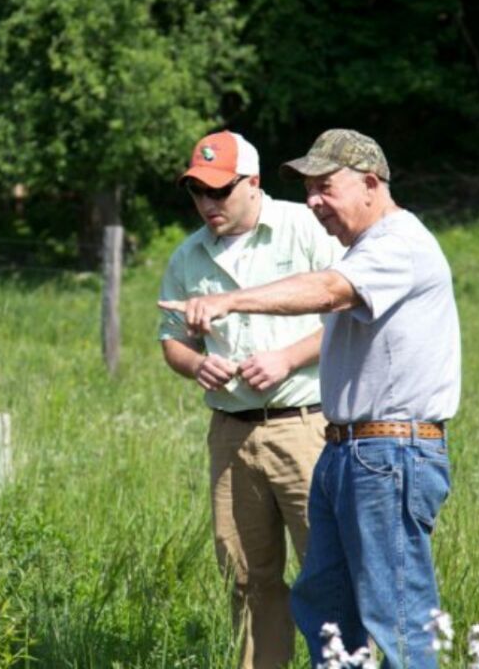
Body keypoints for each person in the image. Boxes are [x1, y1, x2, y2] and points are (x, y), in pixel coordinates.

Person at [159, 129, 461, 669]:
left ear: (370, 184)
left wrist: (231, 302)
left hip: (388, 450)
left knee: (395, 613)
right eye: (308, 189)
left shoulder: (398, 243)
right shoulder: (361, 246)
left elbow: (326, 291)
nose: (314, 201)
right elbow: (172, 342)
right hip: (345, 448)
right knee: (325, 602)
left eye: (326, 187)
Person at [158, 130, 343, 669]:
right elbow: (172, 341)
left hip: (306, 426)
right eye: (197, 191)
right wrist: (197, 364)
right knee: (245, 575)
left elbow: (350, 314)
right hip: (231, 433)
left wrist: (288, 358)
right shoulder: (188, 256)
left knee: (327, 571)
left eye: (220, 190)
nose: (207, 203)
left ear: (254, 182)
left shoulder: (305, 227)